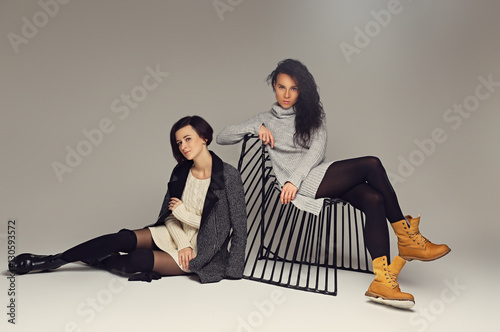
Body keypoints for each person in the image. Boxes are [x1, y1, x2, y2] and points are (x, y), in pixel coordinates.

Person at [216, 59, 450, 308]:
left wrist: (296, 179)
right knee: (371, 164)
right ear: (274, 86)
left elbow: (317, 151)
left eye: (293, 88)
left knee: (375, 199)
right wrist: (257, 126)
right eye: (281, 87)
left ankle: (383, 280)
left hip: (319, 174)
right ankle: (407, 237)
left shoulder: (313, 115)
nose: (286, 94)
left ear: (301, 90)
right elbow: (222, 136)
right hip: (300, 185)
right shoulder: (264, 118)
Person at [9, 116, 247, 283]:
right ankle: (52, 260)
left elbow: (236, 227)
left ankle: (94, 259)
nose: (183, 146)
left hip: (201, 249)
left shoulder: (228, 175)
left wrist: (234, 269)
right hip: (176, 235)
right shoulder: (180, 172)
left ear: (204, 137)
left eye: (188, 139)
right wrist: (181, 238)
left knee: (137, 260)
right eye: (178, 142)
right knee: (121, 238)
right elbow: (170, 216)